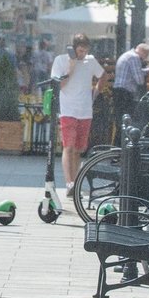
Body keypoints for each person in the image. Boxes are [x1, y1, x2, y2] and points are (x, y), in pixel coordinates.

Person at [50, 33, 106, 197]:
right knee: (68, 147)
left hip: (85, 110)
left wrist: (95, 93)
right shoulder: (61, 60)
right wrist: (71, 67)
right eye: (80, 51)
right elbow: (59, 85)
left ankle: (75, 181)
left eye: (85, 51)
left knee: (78, 149)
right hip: (68, 110)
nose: (82, 54)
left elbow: (103, 76)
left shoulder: (90, 61)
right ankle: (70, 184)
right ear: (73, 49)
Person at [111, 43, 149, 146]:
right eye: (146, 56)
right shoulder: (134, 58)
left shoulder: (127, 55)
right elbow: (139, 80)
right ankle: (121, 149)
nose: (144, 59)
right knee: (127, 121)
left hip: (119, 91)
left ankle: (117, 150)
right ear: (144, 52)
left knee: (122, 121)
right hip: (125, 92)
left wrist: (148, 69)